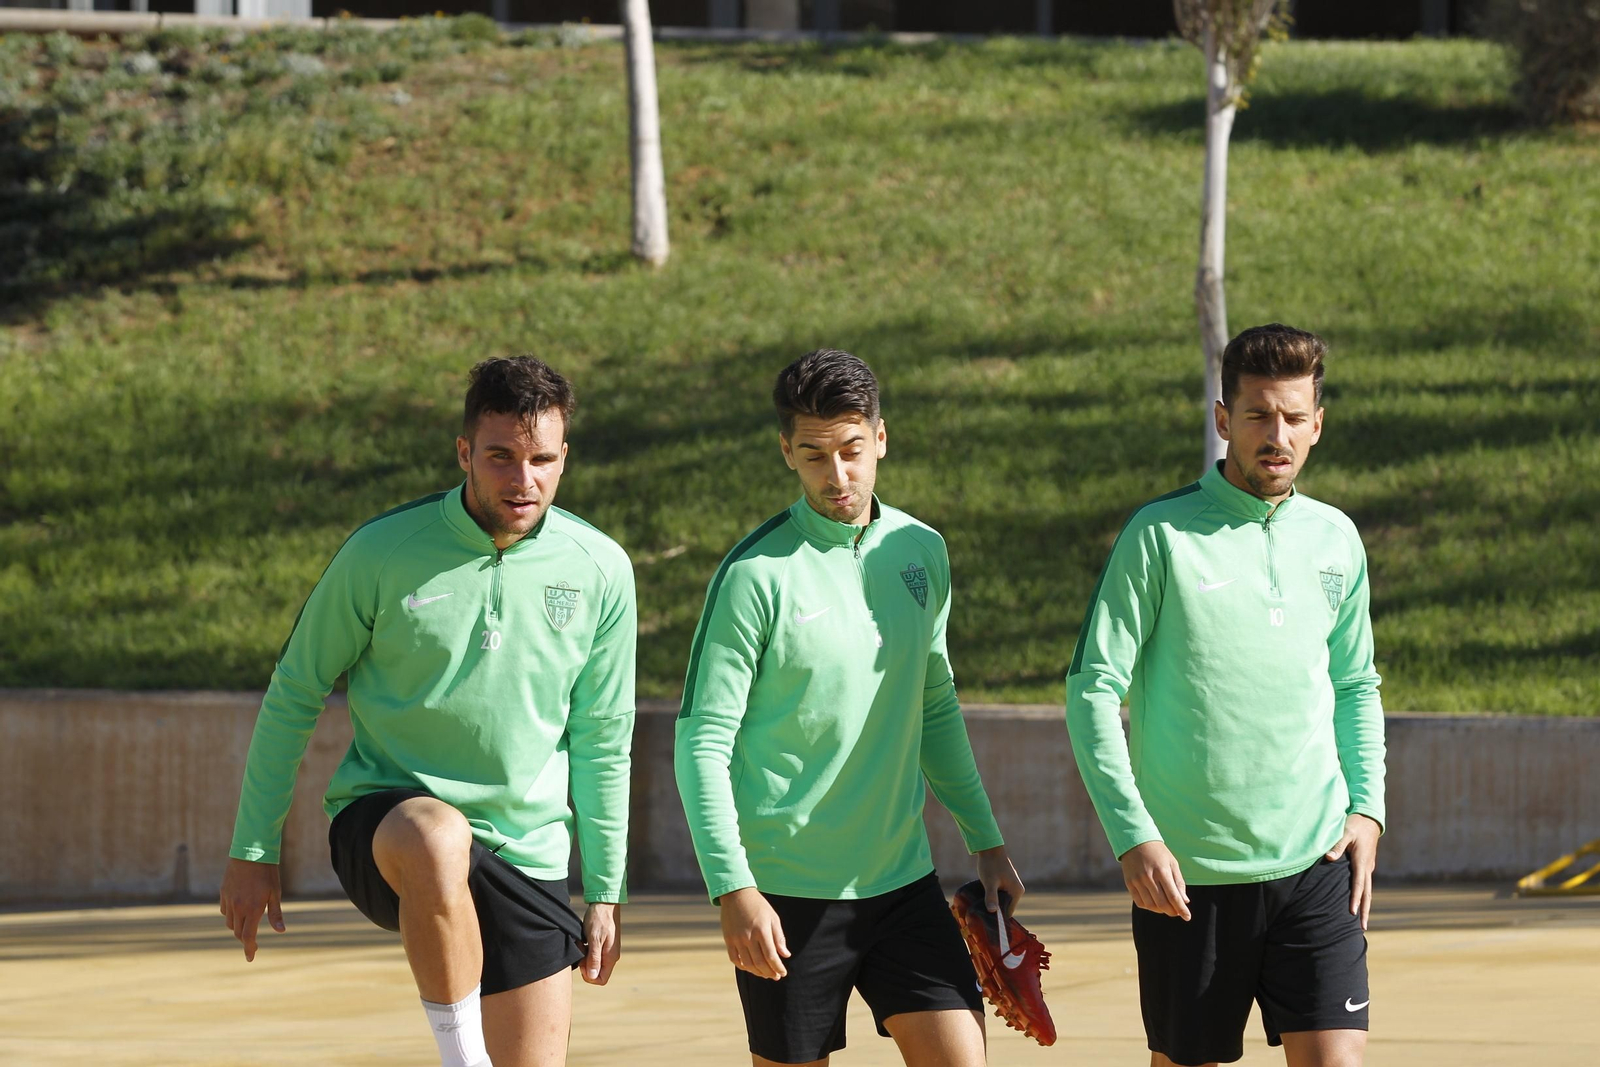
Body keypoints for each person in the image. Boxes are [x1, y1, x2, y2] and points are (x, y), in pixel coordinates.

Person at [219, 356, 637, 1067]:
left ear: (565, 458)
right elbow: (295, 691)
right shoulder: (382, 552)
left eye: (541, 459)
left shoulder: (600, 568)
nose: (522, 479)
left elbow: (602, 735)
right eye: (500, 456)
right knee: (439, 835)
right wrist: (253, 851)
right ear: (464, 453)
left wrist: (604, 889)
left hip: (524, 850)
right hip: (389, 827)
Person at [675, 348, 1029, 1067]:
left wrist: (986, 842)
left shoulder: (921, 552)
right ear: (786, 452)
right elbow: (701, 742)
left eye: (851, 450)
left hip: (902, 884)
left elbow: (933, 705)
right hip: (785, 896)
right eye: (813, 455)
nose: (836, 475)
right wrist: (733, 889)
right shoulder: (754, 576)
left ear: (881, 438)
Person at [1066, 324, 1387, 1067]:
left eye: (1294, 417)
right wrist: (1132, 834)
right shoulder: (1160, 535)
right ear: (1222, 420)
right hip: (1188, 876)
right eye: (1257, 415)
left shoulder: (1336, 539)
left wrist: (1367, 807)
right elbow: (1091, 690)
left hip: (1317, 861)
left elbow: (1355, 682)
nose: (1277, 435)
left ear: (1317, 424)